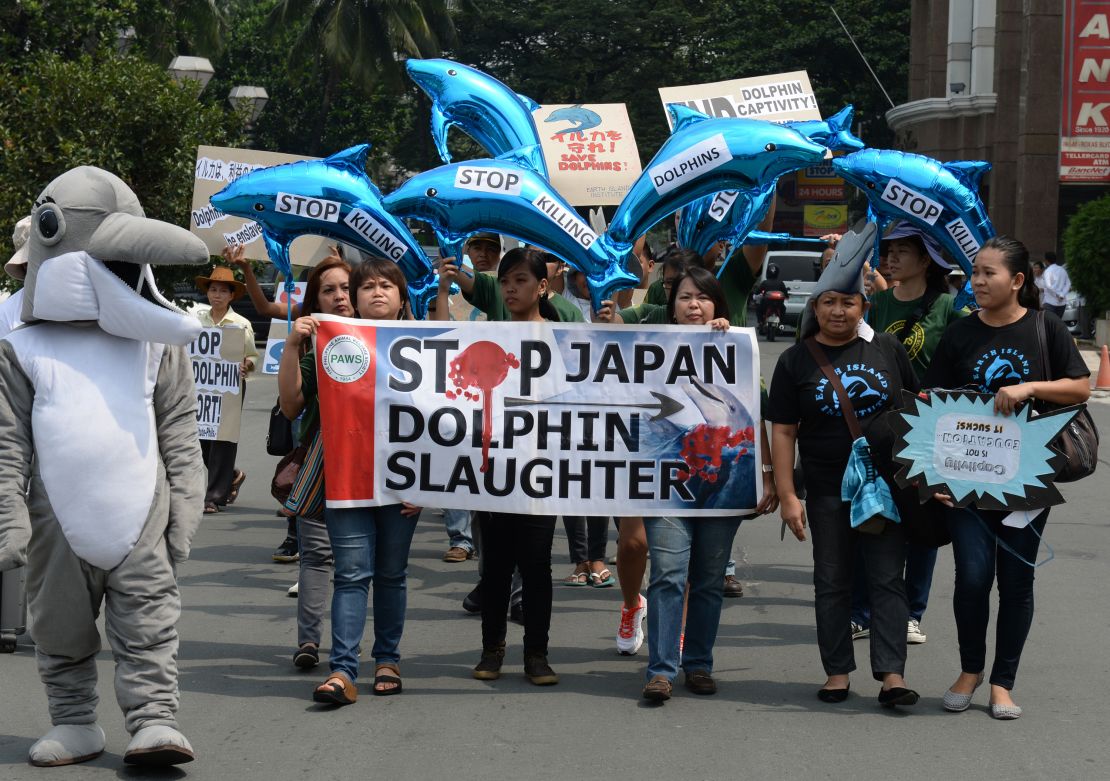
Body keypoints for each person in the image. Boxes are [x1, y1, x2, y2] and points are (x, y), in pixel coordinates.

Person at [923, 236, 1090, 719]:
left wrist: (1029, 387)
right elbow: (932, 403)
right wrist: (936, 476)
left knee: (1016, 581)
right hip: (965, 479)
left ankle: (1003, 682)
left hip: (1025, 481)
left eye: (988, 273)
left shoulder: (1046, 327)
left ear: (1017, 281)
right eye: (974, 272)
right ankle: (970, 670)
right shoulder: (959, 334)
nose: (977, 281)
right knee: (973, 578)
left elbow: (1079, 385)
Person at [768, 253, 921, 709]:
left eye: (848, 303)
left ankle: (892, 676)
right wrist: (788, 494)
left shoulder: (887, 350)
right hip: (827, 488)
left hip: (887, 487)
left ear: (864, 307)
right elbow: (783, 430)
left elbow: (916, 409)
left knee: (887, 578)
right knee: (831, 579)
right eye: (829, 302)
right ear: (815, 308)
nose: (839, 311)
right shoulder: (796, 361)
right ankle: (837, 673)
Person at [281, 258, 423, 705]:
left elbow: (446, 421)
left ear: (402, 300)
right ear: (356, 300)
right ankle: (343, 671)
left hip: (402, 482)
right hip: (345, 480)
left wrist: (428, 483)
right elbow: (290, 406)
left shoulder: (427, 346)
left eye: (387, 286)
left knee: (391, 575)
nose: (377, 292)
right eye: (368, 287)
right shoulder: (331, 344)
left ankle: (387, 660)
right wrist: (291, 348)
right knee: (351, 576)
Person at [639, 266, 777, 702]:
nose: (693, 305)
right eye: (684, 297)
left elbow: (756, 417)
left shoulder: (736, 349)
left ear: (717, 304)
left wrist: (765, 476)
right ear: (672, 305)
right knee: (667, 575)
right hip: (667, 486)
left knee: (709, 578)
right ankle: (661, 669)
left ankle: (698, 664)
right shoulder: (648, 348)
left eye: (702, 297)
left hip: (723, 486)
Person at [851, 223, 967, 644]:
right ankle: (862, 611)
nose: (892, 258)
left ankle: (911, 612)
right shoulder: (875, 304)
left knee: (923, 523)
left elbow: (973, 352)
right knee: (873, 514)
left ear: (927, 260)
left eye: (903, 251)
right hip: (878, 430)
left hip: (931, 432)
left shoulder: (949, 309)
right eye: (890, 250)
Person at [465, 248, 561, 686]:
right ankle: (492, 648)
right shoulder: (486, 335)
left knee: (537, 565)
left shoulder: (563, 337)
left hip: (541, 470)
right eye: (505, 281)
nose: (511, 288)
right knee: (496, 566)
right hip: (492, 469)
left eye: (521, 280)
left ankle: (536, 653)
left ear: (542, 287)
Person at [273, 254, 353, 668]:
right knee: (317, 556)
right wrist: (291, 345)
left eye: (345, 287)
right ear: (316, 304)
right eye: (328, 290)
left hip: (374, 467)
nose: (339, 296)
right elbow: (289, 406)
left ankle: (356, 650)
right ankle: (308, 643)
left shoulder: (389, 338)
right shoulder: (318, 348)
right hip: (322, 463)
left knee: (366, 566)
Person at [191, 265, 259, 514]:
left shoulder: (241, 323)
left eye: (222, 291)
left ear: (231, 296)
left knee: (223, 439)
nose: (217, 295)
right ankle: (232, 475)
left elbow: (252, 355)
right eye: (213, 290)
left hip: (229, 387)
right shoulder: (196, 321)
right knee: (200, 437)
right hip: (200, 387)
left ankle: (214, 497)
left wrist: (247, 365)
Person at [754, 263, 789, 330]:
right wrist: (787, 296)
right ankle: (781, 323)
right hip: (779, 305)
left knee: (758, 309)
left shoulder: (765, 282)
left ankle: (760, 322)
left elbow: (757, 292)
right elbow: (785, 293)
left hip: (766, 304)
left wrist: (756, 293)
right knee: (783, 309)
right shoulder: (780, 283)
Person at [1040, 251, 1070, 319]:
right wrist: (1062, 294)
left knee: (1049, 325)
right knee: (1057, 324)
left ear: (1046, 261)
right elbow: (1068, 283)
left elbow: (1048, 286)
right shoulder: (1062, 270)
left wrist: (1058, 294)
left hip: (1049, 302)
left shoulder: (1047, 271)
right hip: (1062, 303)